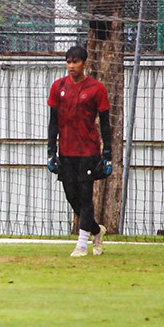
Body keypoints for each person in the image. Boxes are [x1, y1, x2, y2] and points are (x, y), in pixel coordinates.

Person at [47, 45, 112, 257]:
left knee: (85, 195)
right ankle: (96, 230)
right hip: (66, 151)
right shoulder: (58, 87)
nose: (71, 66)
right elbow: (53, 122)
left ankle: (82, 244)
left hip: (88, 151)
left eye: (75, 62)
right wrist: (51, 151)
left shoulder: (96, 88)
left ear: (85, 63)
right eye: (68, 62)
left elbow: (105, 123)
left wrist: (107, 154)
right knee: (71, 196)